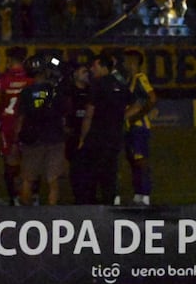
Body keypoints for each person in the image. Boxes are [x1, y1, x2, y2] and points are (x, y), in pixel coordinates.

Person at [75, 53, 133, 205]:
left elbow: (89, 114)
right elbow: (135, 102)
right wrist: (122, 117)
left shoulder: (98, 84)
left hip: (97, 136)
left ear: (102, 66)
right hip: (114, 136)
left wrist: (82, 138)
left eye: (94, 66)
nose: (92, 69)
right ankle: (110, 204)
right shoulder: (121, 83)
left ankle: (91, 205)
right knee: (110, 172)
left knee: (91, 172)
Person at [14, 56, 66, 205]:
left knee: (27, 179)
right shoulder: (54, 91)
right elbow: (63, 115)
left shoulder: (26, 92)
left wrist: (17, 139)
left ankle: (26, 212)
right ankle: (52, 211)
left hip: (32, 139)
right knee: (53, 180)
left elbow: (21, 117)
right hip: (54, 137)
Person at [0, 46, 33, 205]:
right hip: (28, 125)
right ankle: (32, 198)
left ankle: (14, 199)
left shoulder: (3, 79)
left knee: (10, 164)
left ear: (9, 60)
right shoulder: (31, 79)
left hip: (8, 125)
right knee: (29, 163)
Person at [122, 49, 157, 206]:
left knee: (140, 159)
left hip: (139, 128)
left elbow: (152, 98)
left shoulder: (140, 78)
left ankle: (145, 194)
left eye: (126, 60)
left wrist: (138, 116)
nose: (124, 63)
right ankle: (138, 193)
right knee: (132, 159)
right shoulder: (129, 80)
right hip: (130, 127)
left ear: (133, 61)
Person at [60, 62, 90, 203]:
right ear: (75, 74)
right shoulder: (68, 92)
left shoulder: (92, 90)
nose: (87, 74)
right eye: (83, 71)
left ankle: (88, 196)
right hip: (73, 135)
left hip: (89, 135)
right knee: (75, 167)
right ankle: (78, 196)